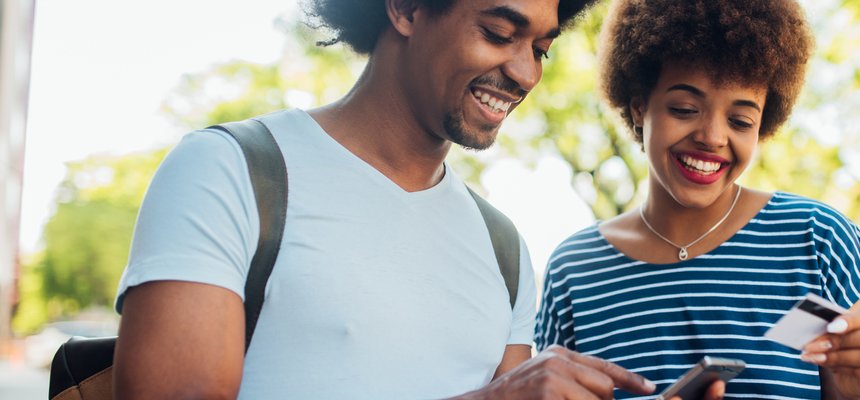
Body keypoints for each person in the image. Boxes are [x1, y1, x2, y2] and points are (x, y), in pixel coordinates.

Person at [111, 0, 658, 398]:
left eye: (540, 49)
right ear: (406, 9)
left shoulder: (503, 248)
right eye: (497, 32)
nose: (524, 72)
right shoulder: (229, 172)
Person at [534, 0, 860, 398]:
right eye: (685, 108)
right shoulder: (573, 271)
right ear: (639, 108)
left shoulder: (816, 240)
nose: (712, 137)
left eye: (740, 120)